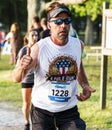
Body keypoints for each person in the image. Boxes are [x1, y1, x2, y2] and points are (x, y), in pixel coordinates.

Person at [12, 2, 96, 130]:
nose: (63, 25)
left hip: (69, 110)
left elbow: (78, 67)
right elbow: (16, 78)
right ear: (49, 25)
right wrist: (21, 67)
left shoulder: (78, 45)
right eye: (58, 22)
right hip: (42, 111)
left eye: (67, 21)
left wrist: (85, 85)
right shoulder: (39, 48)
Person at [12, 29, 39, 130]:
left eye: (36, 35)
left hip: (37, 79)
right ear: (27, 37)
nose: (35, 38)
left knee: (36, 102)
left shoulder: (40, 49)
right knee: (27, 103)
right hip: (26, 79)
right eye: (32, 35)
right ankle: (27, 122)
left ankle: (36, 123)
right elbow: (18, 67)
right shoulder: (23, 50)